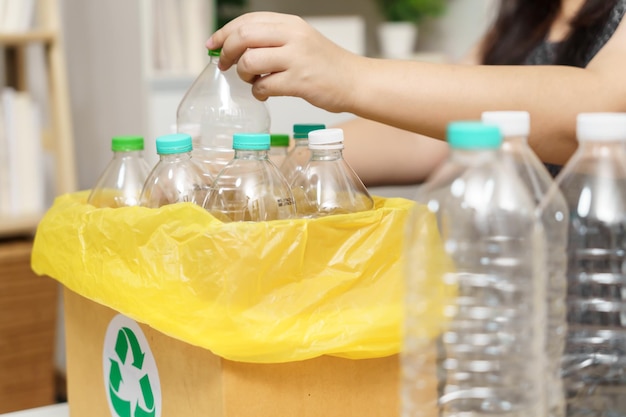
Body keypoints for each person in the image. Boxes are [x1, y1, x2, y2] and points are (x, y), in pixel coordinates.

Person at [206, 0, 626, 185]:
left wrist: (348, 75)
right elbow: (432, 131)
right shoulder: (526, 12)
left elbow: (597, 116)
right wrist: (279, 162)